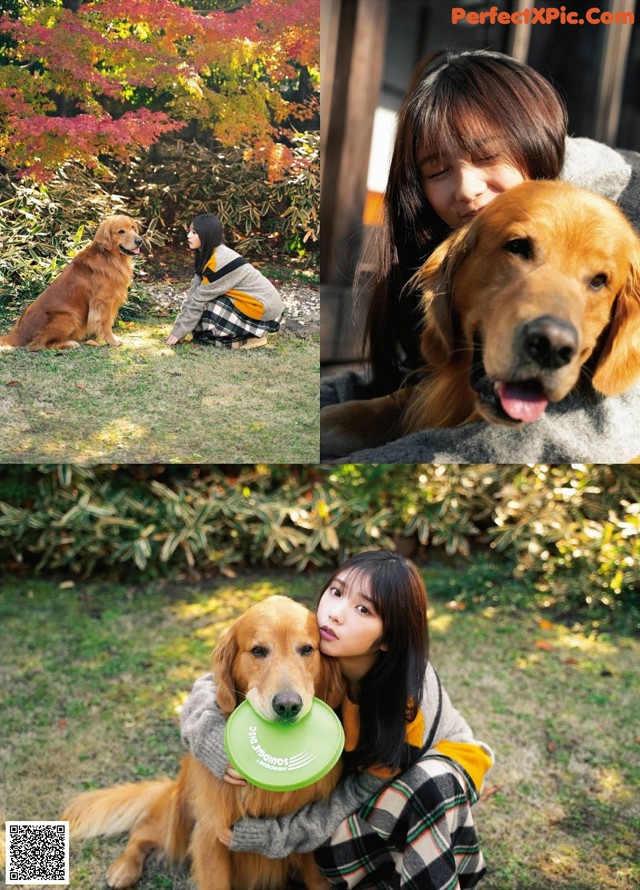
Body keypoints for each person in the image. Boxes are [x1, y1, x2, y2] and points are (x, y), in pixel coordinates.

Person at [321, 49, 640, 462]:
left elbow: (603, 431)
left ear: (534, 141)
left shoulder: (627, 219)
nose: (467, 188)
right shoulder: (454, 243)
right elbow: (408, 375)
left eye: (488, 156)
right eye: (436, 171)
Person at [180, 550, 494, 889]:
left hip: (433, 780)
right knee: (331, 854)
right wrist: (212, 741)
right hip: (372, 788)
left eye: (363, 609)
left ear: (388, 637)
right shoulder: (319, 650)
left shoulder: (407, 703)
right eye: (336, 591)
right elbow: (211, 683)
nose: (337, 614)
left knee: (425, 784)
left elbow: (358, 793)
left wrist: (276, 835)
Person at [166, 213, 283, 349]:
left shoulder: (219, 261)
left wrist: (179, 333)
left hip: (264, 311)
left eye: (194, 232)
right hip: (253, 306)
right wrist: (178, 330)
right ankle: (242, 337)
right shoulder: (208, 255)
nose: (188, 236)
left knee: (209, 308)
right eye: (189, 231)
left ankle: (250, 339)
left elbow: (198, 300)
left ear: (207, 235)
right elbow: (193, 293)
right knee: (202, 320)